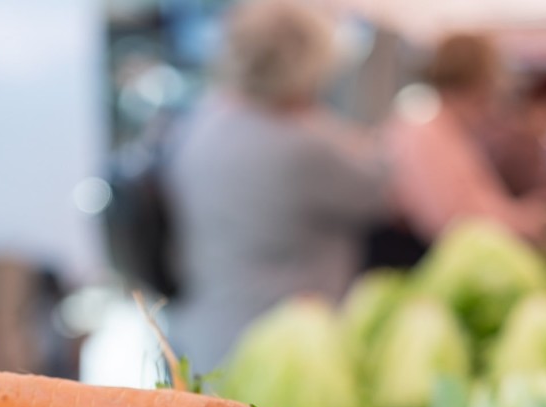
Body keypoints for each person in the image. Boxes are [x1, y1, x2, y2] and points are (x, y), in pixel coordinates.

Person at [163, 0, 389, 374]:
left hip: (204, 335)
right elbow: (380, 188)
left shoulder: (202, 119)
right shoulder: (304, 144)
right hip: (284, 353)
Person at [387, 33, 546, 245]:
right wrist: (519, 221)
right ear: (482, 79)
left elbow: (473, 204)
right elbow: (448, 221)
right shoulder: (425, 129)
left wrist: (521, 216)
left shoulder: (446, 127)